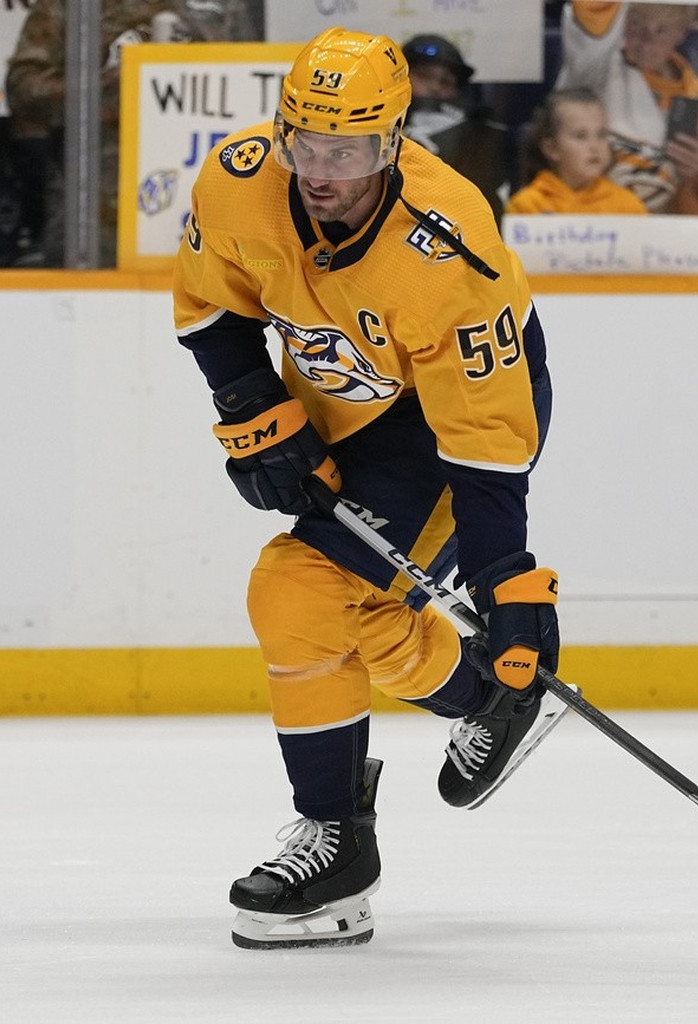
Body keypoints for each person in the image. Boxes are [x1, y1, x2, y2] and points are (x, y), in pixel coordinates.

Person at [172, 27, 564, 949]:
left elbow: (485, 435)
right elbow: (212, 308)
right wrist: (257, 411)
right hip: (347, 407)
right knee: (355, 610)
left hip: (446, 425)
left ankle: (339, 845)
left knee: (297, 586)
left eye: (347, 151)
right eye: (306, 143)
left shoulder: (449, 246)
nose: (321, 169)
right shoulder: (238, 181)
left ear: (393, 142)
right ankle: (479, 697)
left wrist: (505, 578)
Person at [6, 0, 260, 267]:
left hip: (205, 205)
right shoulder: (77, 6)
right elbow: (22, 89)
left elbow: (253, 84)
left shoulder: (225, 6)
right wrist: (108, 89)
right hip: (97, 221)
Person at [556, 2, 698, 220]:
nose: (647, 40)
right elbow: (592, 22)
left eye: (661, 29)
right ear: (621, 23)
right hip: (584, 226)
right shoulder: (595, 68)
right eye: (636, 24)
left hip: (656, 237)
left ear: (682, 31)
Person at [399, 33, 511, 221]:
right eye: (424, 76)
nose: (434, 87)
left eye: (446, 82)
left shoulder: (481, 136)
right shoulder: (374, 127)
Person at [504, 88, 648, 215]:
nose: (594, 146)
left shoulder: (629, 206)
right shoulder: (527, 206)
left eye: (601, 135)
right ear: (551, 148)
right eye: (581, 136)